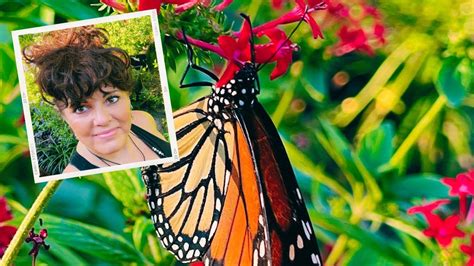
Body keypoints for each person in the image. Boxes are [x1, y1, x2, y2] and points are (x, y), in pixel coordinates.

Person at [23, 26, 171, 172]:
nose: (102, 120)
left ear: (128, 95)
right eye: (81, 108)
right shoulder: (75, 176)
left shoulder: (143, 121)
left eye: (112, 99)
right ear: (64, 116)